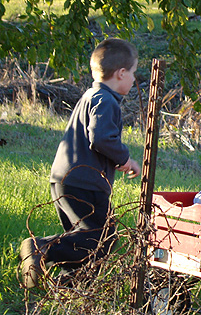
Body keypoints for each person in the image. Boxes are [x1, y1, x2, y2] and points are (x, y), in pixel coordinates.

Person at [19, 38, 141, 289]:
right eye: (133, 73)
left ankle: (69, 286)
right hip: (85, 182)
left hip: (64, 179)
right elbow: (101, 137)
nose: (133, 79)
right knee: (102, 238)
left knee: (82, 241)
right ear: (121, 73)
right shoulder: (106, 101)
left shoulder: (91, 95)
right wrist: (124, 159)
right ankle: (41, 247)